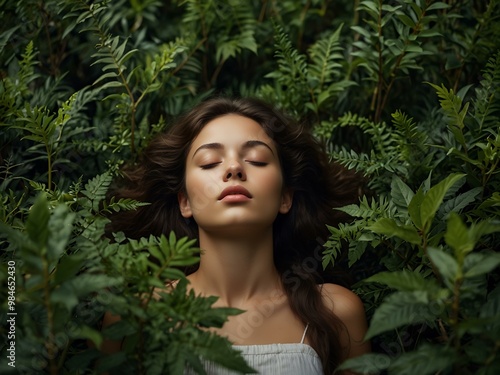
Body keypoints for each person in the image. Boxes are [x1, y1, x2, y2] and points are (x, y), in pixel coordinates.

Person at [105, 97, 371, 374]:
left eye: (256, 159)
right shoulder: (135, 314)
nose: (234, 168)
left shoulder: (336, 313)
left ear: (285, 197)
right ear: (184, 201)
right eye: (209, 163)